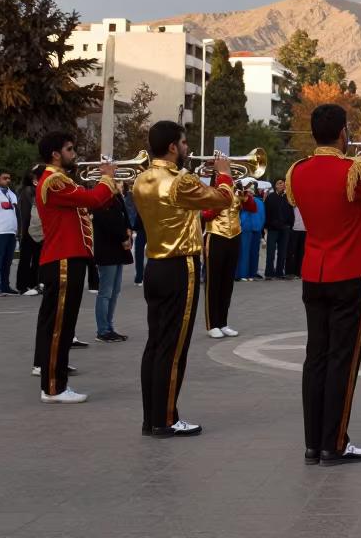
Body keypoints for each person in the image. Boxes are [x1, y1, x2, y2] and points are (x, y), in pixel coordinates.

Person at [286, 103, 361, 466]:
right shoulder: (352, 171)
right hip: (348, 273)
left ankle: (313, 443)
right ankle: (334, 443)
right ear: (342, 134)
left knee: (316, 357)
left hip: (313, 274)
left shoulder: (298, 171)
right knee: (343, 360)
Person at [133, 121, 235, 436]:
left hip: (155, 265)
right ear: (174, 147)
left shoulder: (142, 179)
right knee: (174, 347)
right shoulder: (179, 180)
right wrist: (224, 171)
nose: (188, 147)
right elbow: (223, 199)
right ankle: (166, 419)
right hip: (180, 266)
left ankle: (152, 417)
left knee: (155, 344)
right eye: (184, 142)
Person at [32, 132, 118, 403]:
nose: (74, 154)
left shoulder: (60, 180)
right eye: (70, 149)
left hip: (68, 257)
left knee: (63, 325)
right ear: (56, 154)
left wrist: (109, 186)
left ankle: (55, 383)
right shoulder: (54, 180)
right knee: (59, 326)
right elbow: (92, 200)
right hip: (63, 259)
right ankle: (54, 387)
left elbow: (96, 203)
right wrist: (106, 176)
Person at [202, 181, 257, 339]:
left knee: (227, 282)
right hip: (216, 236)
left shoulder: (237, 191)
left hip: (234, 237)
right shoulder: (211, 191)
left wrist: (245, 196)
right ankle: (212, 325)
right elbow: (206, 215)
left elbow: (253, 209)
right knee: (213, 283)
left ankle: (223, 323)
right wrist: (223, 201)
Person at [92, 190, 133, 342]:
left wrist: (128, 233)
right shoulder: (100, 200)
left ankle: (109, 327)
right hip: (107, 249)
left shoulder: (116, 198)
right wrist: (123, 235)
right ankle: (102, 330)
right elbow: (109, 221)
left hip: (118, 248)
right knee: (106, 292)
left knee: (115, 291)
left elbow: (124, 216)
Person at [15, 167, 43, 296]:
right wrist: (24, 231)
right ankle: (22, 285)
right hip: (29, 229)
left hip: (37, 229)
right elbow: (25, 214)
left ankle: (34, 283)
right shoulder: (27, 192)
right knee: (26, 258)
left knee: (37, 258)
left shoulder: (37, 190)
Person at [264, 178, 294, 279]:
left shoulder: (287, 198)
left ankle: (280, 272)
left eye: (283, 183)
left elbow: (290, 213)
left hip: (285, 229)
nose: (282, 185)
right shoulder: (270, 197)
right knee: (271, 252)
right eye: (279, 183)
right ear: (275, 186)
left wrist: (289, 224)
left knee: (282, 252)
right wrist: (268, 225)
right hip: (273, 228)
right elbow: (267, 213)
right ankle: (269, 272)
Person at [236, 182, 265, 281]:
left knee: (254, 252)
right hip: (245, 228)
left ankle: (252, 272)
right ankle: (243, 273)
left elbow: (262, 215)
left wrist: (260, 227)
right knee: (244, 252)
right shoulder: (241, 200)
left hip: (256, 229)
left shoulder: (259, 201)